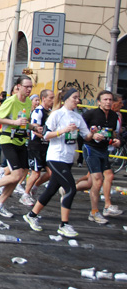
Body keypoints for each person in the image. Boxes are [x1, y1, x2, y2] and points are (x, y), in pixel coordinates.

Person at [23, 87, 93, 237]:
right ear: (66, 99)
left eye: (78, 98)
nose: (77, 100)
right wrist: (63, 131)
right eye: (74, 97)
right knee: (71, 189)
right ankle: (64, 224)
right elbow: (46, 135)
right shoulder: (57, 114)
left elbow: (86, 135)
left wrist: (95, 135)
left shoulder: (78, 116)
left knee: (51, 189)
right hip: (55, 157)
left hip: (68, 158)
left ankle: (32, 215)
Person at [0, 75, 42, 218]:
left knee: (21, 173)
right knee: (17, 174)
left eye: (30, 87)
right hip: (8, 140)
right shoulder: (11, 101)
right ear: (18, 87)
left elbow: (23, 121)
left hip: (21, 140)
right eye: (26, 86)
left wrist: (33, 127)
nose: (29, 89)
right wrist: (14, 123)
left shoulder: (27, 102)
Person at [78, 90, 123, 224]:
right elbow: (80, 128)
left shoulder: (114, 116)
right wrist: (92, 135)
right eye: (105, 100)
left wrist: (116, 141)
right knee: (98, 180)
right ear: (99, 102)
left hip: (104, 150)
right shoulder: (91, 114)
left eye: (110, 100)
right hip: (91, 148)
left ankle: (70, 189)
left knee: (91, 182)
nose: (108, 102)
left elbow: (113, 133)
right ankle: (95, 212)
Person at [21, 89, 55, 206]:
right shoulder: (38, 112)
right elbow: (34, 130)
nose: (53, 100)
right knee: (35, 172)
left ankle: (34, 187)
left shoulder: (51, 112)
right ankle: (25, 194)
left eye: (53, 97)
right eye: (51, 98)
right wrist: (47, 136)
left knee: (51, 173)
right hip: (36, 146)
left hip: (46, 147)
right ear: (44, 98)